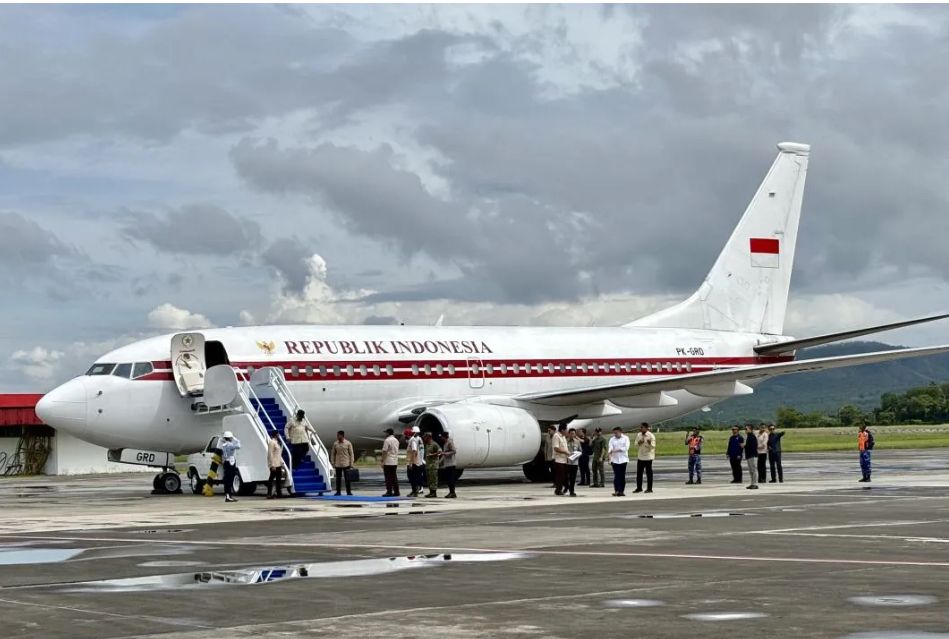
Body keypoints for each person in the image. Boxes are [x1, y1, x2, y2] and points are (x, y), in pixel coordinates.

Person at [330, 430, 355, 496]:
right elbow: (333, 453)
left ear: (342, 435)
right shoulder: (335, 444)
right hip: (338, 464)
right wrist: (332, 462)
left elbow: (351, 454)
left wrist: (351, 463)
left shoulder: (348, 443)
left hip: (346, 463)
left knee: (347, 479)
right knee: (338, 479)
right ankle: (338, 492)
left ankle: (348, 492)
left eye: (338, 435)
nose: (337, 436)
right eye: (337, 435)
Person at [607, 426, 630, 496]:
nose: (615, 434)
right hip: (615, 460)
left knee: (622, 476)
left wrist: (616, 450)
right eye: (614, 433)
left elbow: (626, 448)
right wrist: (609, 457)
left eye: (616, 433)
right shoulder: (612, 439)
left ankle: (621, 491)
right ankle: (616, 490)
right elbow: (610, 448)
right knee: (616, 476)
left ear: (620, 432)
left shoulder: (626, 438)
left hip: (623, 459)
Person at [634, 422, 656, 493]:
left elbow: (653, 447)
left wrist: (649, 443)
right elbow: (636, 445)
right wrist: (640, 442)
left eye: (642, 427)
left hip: (648, 457)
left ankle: (649, 488)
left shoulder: (651, 436)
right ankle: (639, 487)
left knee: (649, 473)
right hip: (640, 456)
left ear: (646, 428)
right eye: (640, 427)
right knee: (639, 473)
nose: (641, 429)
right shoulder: (639, 435)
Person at [220, 430, 241, 503]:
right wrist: (236, 439)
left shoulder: (224, 445)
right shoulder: (230, 445)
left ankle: (228, 495)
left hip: (226, 461)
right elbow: (238, 446)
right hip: (230, 462)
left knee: (227, 479)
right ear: (230, 438)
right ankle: (228, 496)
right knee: (229, 479)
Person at [406, 426, 425, 497]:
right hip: (419, 461)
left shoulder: (413, 440)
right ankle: (415, 490)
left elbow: (414, 451)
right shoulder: (419, 439)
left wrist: (411, 463)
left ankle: (415, 491)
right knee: (415, 477)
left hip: (415, 462)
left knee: (412, 477)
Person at [381, 428, 401, 497]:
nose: (385, 434)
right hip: (395, 461)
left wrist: (382, 460)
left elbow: (384, 451)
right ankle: (396, 491)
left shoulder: (387, 440)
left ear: (388, 433)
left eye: (386, 432)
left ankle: (389, 491)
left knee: (388, 477)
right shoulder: (396, 440)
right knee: (394, 477)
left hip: (388, 461)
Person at [551, 424, 569, 496]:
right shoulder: (556, 436)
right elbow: (556, 448)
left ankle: (565, 487)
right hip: (558, 460)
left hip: (564, 459)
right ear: (562, 430)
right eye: (566, 430)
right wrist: (565, 452)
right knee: (560, 476)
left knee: (564, 476)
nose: (567, 431)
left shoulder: (563, 437)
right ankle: (558, 490)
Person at [423, 432, 442, 498]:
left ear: (429, 437)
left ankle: (434, 493)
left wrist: (433, 454)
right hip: (428, 465)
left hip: (433, 465)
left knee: (433, 479)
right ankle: (431, 492)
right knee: (429, 479)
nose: (424, 438)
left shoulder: (434, 444)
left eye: (425, 437)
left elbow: (439, 451)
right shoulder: (427, 444)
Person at [266, 430, 284, 499]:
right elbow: (270, 454)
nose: (279, 435)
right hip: (274, 464)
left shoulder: (277, 442)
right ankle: (269, 493)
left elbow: (278, 454)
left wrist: (281, 462)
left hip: (278, 463)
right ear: (275, 435)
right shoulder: (271, 442)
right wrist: (272, 465)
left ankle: (279, 493)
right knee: (271, 479)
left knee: (278, 479)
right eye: (278, 434)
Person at [439, 431, 458, 498]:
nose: (441, 438)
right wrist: (440, 462)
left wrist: (446, 454)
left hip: (451, 464)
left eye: (442, 437)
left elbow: (454, 451)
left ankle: (452, 493)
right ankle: (451, 492)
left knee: (451, 479)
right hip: (447, 464)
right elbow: (444, 453)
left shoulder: (449, 442)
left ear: (444, 437)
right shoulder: (445, 443)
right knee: (448, 479)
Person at [565, 428, 580, 496]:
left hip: (574, 462)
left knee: (573, 478)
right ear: (568, 434)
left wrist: (576, 455)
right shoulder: (565, 441)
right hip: (567, 462)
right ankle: (566, 486)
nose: (572, 435)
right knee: (565, 477)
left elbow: (580, 451)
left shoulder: (577, 442)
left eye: (573, 433)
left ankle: (572, 490)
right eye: (571, 433)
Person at [744, 425, 759, 489]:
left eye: (746, 429)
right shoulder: (749, 436)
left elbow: (753, 446)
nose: (745, 430)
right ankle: (752, 483)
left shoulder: (752, 437)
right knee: (751, 470)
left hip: (752, 455)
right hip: (749, 455)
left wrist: (745, 446)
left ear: (751, 430)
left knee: (753, 470)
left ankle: (755, 484)